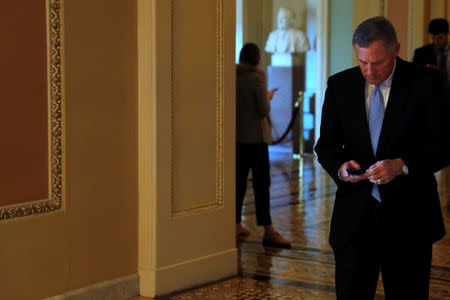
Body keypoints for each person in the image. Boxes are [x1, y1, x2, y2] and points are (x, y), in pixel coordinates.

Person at [314, 17, 447, 299]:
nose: (369, 71)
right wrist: (340, 167)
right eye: (363, 62)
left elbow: (443, 144)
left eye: (378, 62)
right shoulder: (340, 85)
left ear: (395, 49)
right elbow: (325, 146)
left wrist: (402, 165)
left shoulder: (426, 83)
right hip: (354, 222)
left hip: (410, 220)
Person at [236, 43, 291, 248]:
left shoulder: (232, 74)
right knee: (262, 184)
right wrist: (268, 97)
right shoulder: (257, 76)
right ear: (257, 57)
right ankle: (268, 229)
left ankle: (235, 224)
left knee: (238, 183)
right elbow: (262, 109)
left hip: (238, 139)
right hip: (256, 140)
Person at [412, 18, 449, 88]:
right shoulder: (421, 53)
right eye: (433, 38)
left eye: (440, 38)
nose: (436, 42)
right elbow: (414, 77)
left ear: (447, 34)